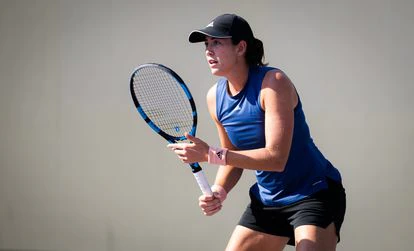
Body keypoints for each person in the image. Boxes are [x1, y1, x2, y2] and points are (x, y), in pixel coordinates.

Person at [167, 13, 346, 251]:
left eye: (217, 43)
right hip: (267, 199)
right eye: (206, 45)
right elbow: (232, 157)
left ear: (241, 47)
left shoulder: (274, 83)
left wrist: (210, 153)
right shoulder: (214, 98)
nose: (209, 51)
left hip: (313, 193)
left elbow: (276, 158)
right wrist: (220, 190)